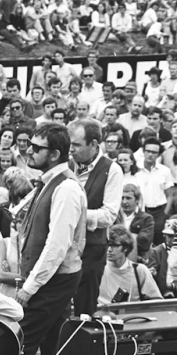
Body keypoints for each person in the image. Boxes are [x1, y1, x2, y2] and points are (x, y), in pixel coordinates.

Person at [0, 123, 87, 355]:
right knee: (53, 349)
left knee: (18, 344)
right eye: (29, 144)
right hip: (48, 278)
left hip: (54, 281)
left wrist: (29, 289)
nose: (28, 150)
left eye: (36, 146)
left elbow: (57, 248)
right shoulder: (48, 182)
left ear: (55, 154)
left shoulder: (67, 189)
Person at [68, 119, 123, 316]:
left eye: (76, 145)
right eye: (70, 144)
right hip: (64, 246)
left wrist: (74, 214)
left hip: (92, 250)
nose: (71, 149)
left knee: (84, 309)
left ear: (93, 145)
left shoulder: (112, 169)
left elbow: (108, 215)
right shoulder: (67, 165)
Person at [98, 225, 162, 305]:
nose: (109, 250)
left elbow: (157, 302)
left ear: (126, 248)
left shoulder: (140, 270)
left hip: (132, 315)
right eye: (108, 245)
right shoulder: (98, 269)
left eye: (115, 246)